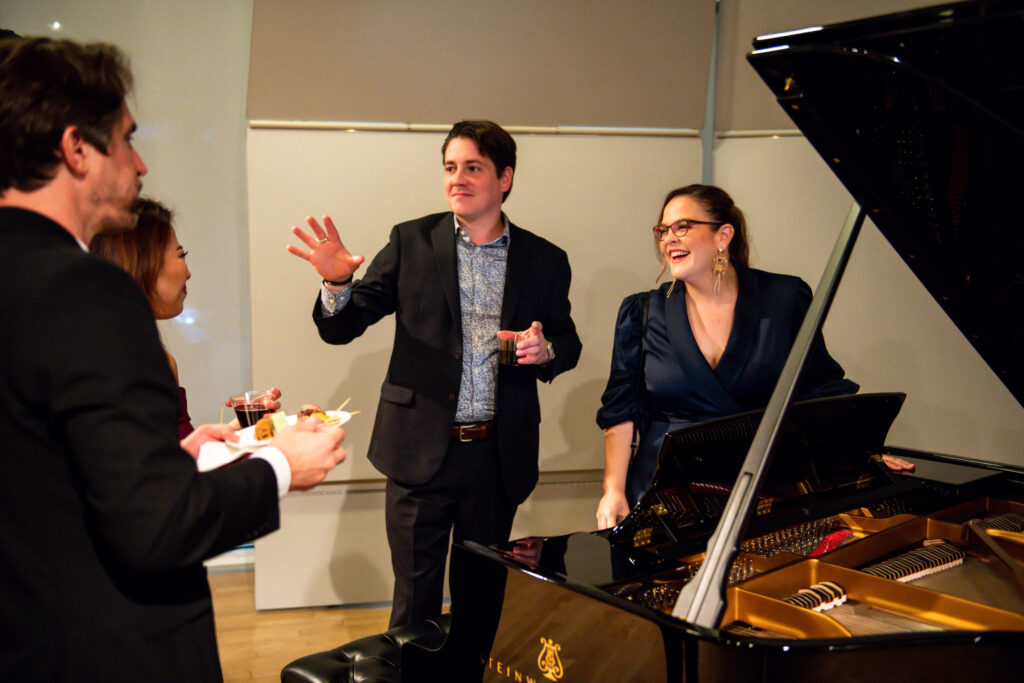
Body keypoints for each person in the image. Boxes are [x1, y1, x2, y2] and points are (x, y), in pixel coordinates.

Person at [0, 37, 346, 681]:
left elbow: (47, 474)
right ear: (76, 148)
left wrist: (178, 455)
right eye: (127, 141)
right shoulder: (83, 290)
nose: (141, 165)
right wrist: (278, 463)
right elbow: (156, 527)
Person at [287, 120, 582, 627]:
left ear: (504, 178)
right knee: (414, 604)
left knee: (481, 600)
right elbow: (343, 326)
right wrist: (338, 282)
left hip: (495, 456)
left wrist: (545, 349)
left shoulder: (545, 259)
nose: (457, 179)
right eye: (450, 167)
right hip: (418, 451)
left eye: (473, 167)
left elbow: (568, 343)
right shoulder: (412, 241)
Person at [595, 184, 874, 530]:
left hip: (763, 488)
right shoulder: (641, 311)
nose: (668, 240)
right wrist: (613, 490)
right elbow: (621, 411)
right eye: (663, 231)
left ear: (723, 235)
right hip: (666, 493)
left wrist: (864, 455)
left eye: (682, 227)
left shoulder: (784, 299)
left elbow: (821, 390)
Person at [91, 198, 281, 439]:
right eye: (181, 255)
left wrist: (242, 429)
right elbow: (162, 468)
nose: (188, 272)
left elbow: (177, 450)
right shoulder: (132, 363)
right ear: (143, 264)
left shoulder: (149, 357)